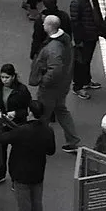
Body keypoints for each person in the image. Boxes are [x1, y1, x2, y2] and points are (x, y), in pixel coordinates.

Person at [0, 98, 56, 211]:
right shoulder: (47, 131)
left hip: (21, 175)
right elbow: (51, 151)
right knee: (37, 207)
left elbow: (2, 138)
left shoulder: (22, 131)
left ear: (30, 112)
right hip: (38, 173)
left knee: (24, 210)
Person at [30, 15, 79, 150]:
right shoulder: (65, 39)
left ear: (50, 26)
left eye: (45, 23)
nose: (43, 25)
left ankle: (41, 144)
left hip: (50, 88)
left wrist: (44, 81)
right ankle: (73, 140)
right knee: (61, 110)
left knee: (43, 115)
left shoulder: (53, 47)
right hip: (63, 85)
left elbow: (55, 69)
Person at [69, 0, 102, 97]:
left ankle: (86, 80)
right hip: (84, 38)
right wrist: (78, 41)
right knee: (80, 62)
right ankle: (77, 86)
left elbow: (97, 14)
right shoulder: (77, 1)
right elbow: (75, 22)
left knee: (87, 60)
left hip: (92, 35)